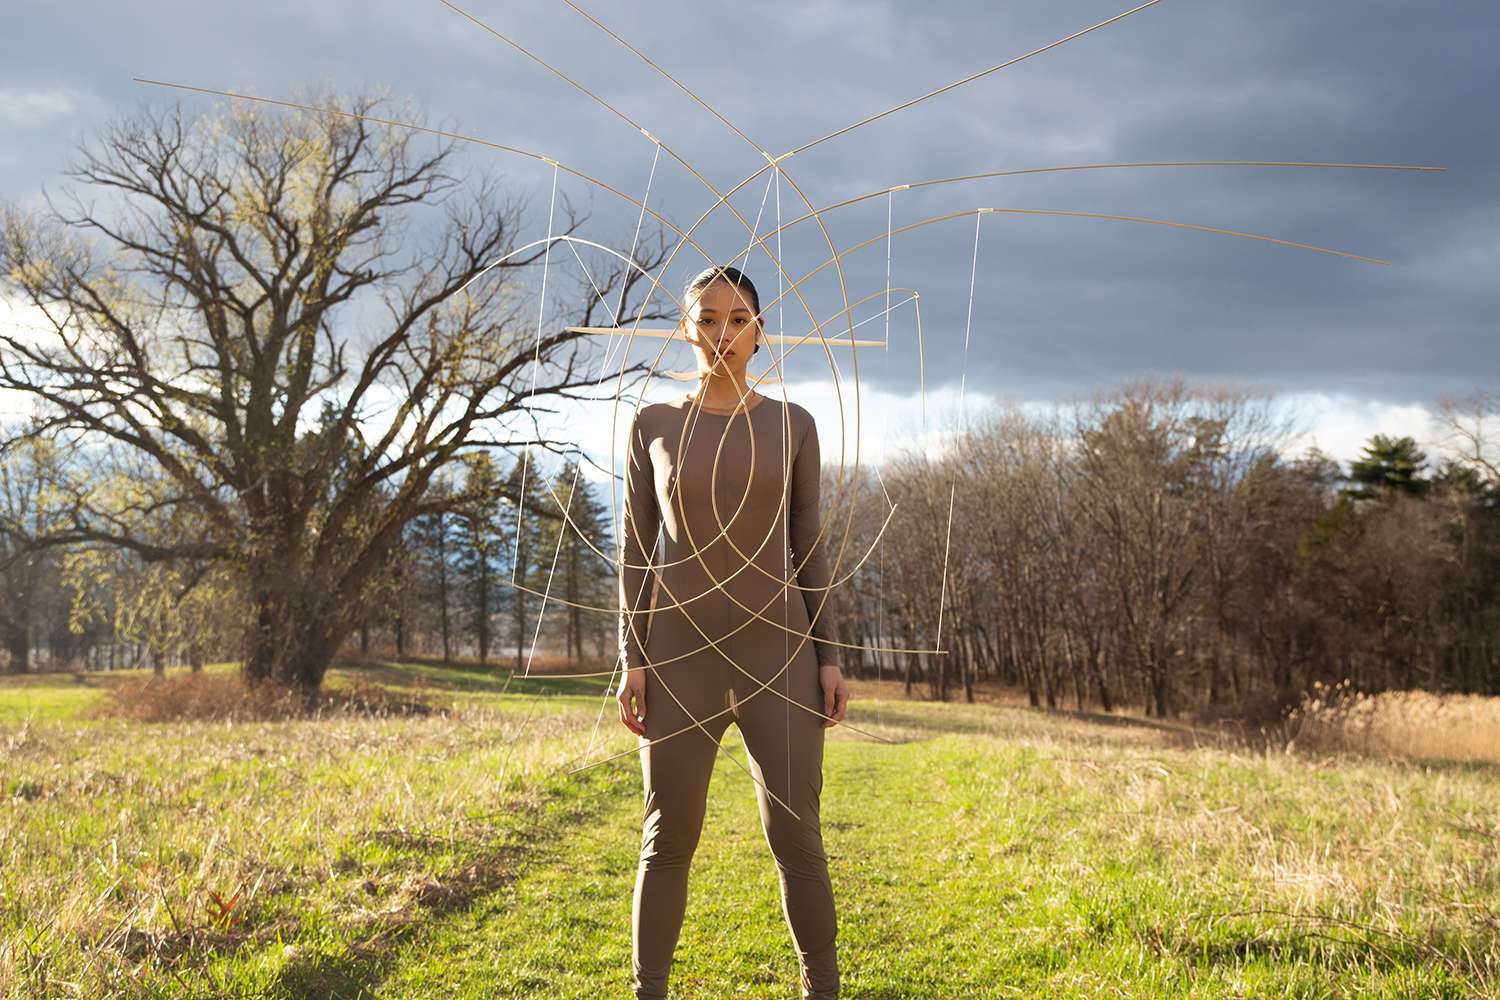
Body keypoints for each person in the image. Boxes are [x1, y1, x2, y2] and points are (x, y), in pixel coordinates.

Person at [616, 264, 850, 1000]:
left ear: (759, 330)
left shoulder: (795, 424)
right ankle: (649, 990)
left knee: (797, 838)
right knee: (668, 837)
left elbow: (807, 545)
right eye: (708, 317)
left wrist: (830, 657)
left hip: (779, 653)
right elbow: (634, 547)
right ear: (684, 328)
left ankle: (823, 989)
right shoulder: (651, 423)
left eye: (739, 318)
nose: (723, 332)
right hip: (677, 655)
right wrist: (633, 658)